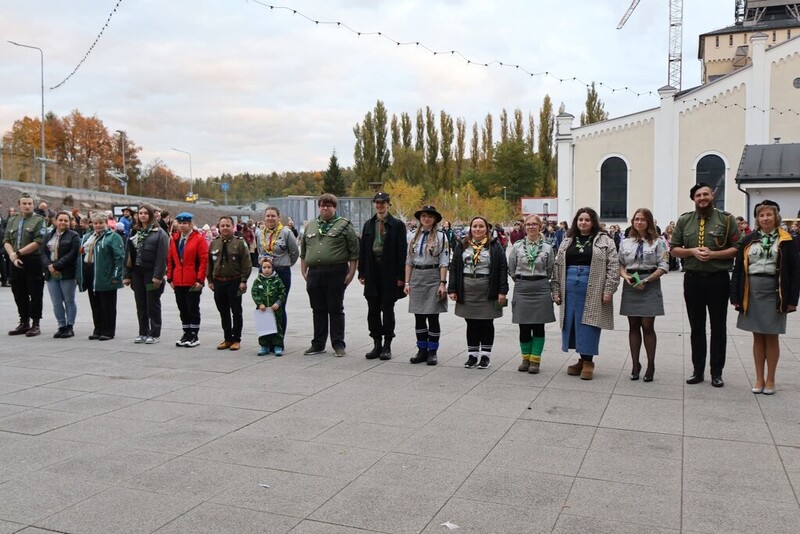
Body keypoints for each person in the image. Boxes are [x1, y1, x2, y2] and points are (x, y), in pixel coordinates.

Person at [670, 182, 740, 387]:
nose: (703, 198)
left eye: (706, 194)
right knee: (696, 327)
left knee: (718, 327)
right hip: (693, 280)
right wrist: (691, 251)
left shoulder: (726, 220)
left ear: (712, 196)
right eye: (699, 195)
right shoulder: (685, 220)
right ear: (694, 199)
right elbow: (674, 248)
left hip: (718, 280)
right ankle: (697, 370)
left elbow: (737, 247)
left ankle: (717, 372)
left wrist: (714, 254)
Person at [730, 200, 800, 395]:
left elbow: (795, 271)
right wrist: (734, 295)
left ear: (775, 217)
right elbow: (738, 269)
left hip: (775, 292)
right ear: (757, 219)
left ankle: (771, 379)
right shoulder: (748, 239)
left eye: (769, 215)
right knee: (757, 335)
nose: (765, 218)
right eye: (761, 215)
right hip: (751, 291)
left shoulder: (787, 240)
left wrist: (793, 300)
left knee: (772, 335)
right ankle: (759, 378)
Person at [552, 207, 620, 380]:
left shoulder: (605, 240)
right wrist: (556, 289)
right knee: (573, 323)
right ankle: (581, 360)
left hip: (593, 286)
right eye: (580, 219)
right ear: (576, 222)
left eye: (587, 220)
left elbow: (613, 265)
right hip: (570, 288)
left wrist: (609, 289)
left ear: (593, 222)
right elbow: (558, 265)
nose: (583, 223)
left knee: (589, 323)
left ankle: (589, 361)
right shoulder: (568, 240)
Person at [299, 193, 359, 356]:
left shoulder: (344, 225)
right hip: (315, 273)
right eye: (322, 205)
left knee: (335, 308)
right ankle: (318, 343)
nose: (325, 208)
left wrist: (351, 272)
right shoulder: (311, 225)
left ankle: (338, 344)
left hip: (336, 271)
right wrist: (303, 270)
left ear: (334, 207)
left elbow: (354, 252)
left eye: (329, 205)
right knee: (317, 309)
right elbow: (304, 251)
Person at [448, 216, 508, 369]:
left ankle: (485, 356)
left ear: (487, 229)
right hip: (467, 288)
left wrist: (502, 291)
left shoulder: (494, 246)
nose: (477, 229)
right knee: (471, 322)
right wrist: (452, 288)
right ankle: (472, 355)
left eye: (481, 226)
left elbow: (502, 268)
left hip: (487, 288)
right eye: (475, 226)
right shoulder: (462, 245)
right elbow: (454, 267)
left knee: (487, 322)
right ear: (470, 228)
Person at [618, 208, 669, 382]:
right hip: (631, 282)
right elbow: (620, 264)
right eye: (636, 219)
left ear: (649, 222)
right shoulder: (626, 242)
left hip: (650, 282)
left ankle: (651, 365)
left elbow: (664, 265)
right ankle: (635, 364)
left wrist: (647, 281)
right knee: (633, 325)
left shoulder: (658, 242)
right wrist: (626, 277)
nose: (639, 222)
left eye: (642, 219)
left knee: (647, 325)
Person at [358, 192, 407, 360]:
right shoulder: (368, 224)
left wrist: (401, 276)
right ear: (374, 204)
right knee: (372, 309)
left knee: (387, 308)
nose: (380, 206)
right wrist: (361, 272)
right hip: (372, 271)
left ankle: (387, 344)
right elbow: (363, 249)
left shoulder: (397, 225)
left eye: (383, 203)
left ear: (388, 204)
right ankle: (376, 343)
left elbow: (402, 251)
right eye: (377, 203)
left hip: (389, 272)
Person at [508, 214, 556, 374]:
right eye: (528, 224)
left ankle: (535, 360)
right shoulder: (517, 246)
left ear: (540, 226)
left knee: (538, 326)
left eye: (534, 224)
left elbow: (550, 270)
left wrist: (539, 281)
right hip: (522, 288)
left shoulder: (548, 248)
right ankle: (525, 358)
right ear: (524, 227)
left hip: (541, 287)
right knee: (524, 326)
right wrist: (522, 281)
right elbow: (512, 268)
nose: (531, 227)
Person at [405, 205, 449, 366]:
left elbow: (444, 261)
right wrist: (407, 282)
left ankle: (432, 351)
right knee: (419, 316)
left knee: (433, 315)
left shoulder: (441, 236)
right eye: (423, 216)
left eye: (430, 216)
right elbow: (408, 261)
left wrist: (442, 283)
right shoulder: (412, 237)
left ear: (435, 219)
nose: (426, 219)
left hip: (433, 277)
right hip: (417, 276)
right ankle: (421, 349)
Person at [124, 205, 170, 344]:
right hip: (137, 272)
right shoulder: (134, 232)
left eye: (145, 213)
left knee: (152, 303)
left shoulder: (159, 233)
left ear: (151, 215)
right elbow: (128, 255)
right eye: (140, 213)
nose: (142, 215)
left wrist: (158, 276)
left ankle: (154, 333)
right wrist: (126, 274)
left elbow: (162, 257)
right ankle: (142, 332)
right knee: (140, 303)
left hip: (151, 272)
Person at [4, 193, 47, 337]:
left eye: (29, 203)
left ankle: (35, 323)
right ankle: (24, 321)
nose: (27, 206)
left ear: (33, 204)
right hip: (15, 260)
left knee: (35, 292)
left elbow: (38, 241)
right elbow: (6, 240)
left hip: (32, 260)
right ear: (19, 205)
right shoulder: (13, 220)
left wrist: (18, 253)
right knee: (18, 291)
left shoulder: (39, 220)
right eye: (24, 203)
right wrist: (12, 255)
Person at [77, 213, 125, 340]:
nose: (98, 225)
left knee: (107, 304)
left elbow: (119, 257)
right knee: (95, 304)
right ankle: (97, 328)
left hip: (105, 274)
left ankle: (108, 331)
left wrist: (116, 275)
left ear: (106, 223)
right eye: (95, 223)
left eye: (101, 223)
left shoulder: (113, 237)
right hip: (90, 272)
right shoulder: (87, 237)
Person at [208, 216, 251, 351]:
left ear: (233, 227)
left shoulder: (239, 243)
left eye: (227, 225)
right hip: (219, 282)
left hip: (235, 281)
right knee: (223, 312)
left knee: (236, 312)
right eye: (222, 226)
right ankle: (227, 338)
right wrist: (209, 280)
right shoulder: (214, 243)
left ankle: (236, 339)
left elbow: (246, 263)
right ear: (219, 227)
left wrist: (244, 280)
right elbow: (209, 263)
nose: (225, 228)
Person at [167, 212, 209, 347]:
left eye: (185, 223)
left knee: (192, 308)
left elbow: (203, 260)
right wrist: (170, 278)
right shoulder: (174, 239)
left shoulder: (198, 239)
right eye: (180, 223)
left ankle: (194, 334)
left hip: (193, 280)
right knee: (182, 308)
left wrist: (200, 279)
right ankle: (186, 332)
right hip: (178, 279)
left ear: (190, 224)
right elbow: (170, 260)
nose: (182, 226)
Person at [256, 207, 299, 334]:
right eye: (268, 216)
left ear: (278, 217)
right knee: (262, 306)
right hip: (263, 273)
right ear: (264, 217)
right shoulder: (259, 233)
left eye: (273, 216)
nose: (270, 218)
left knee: (279, 306)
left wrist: (285, 264)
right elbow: (259, 251)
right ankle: (266, 339)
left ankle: (278, 339)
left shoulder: (286, 233)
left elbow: (294, 252)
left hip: (281, 273)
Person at [41, 211, 81, 338]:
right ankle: (61, 326)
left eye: (66, 220)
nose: (63, 222)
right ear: (55, 221)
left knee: (69, 300)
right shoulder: (48, 236)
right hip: (51, 272)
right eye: (60, 220)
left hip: (67, 272)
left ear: (69, 222)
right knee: (56, 301)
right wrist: (49, 265)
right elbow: (42, 253)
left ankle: (70, 326)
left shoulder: (74, 236)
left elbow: (73, 254)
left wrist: (56, 265)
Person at [252, 256, 288, 356]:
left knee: (277, 327)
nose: (267, 270)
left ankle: (278, 345)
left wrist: (278, 303)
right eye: (264, 267)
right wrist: (259, 303)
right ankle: (264, 346)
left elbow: (282, 293)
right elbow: (254, 293)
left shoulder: (277, 280)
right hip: (262, 309)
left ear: (272, 268)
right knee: (263, 327)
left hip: (275, 309)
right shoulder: (258, 281)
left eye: (269, 267)